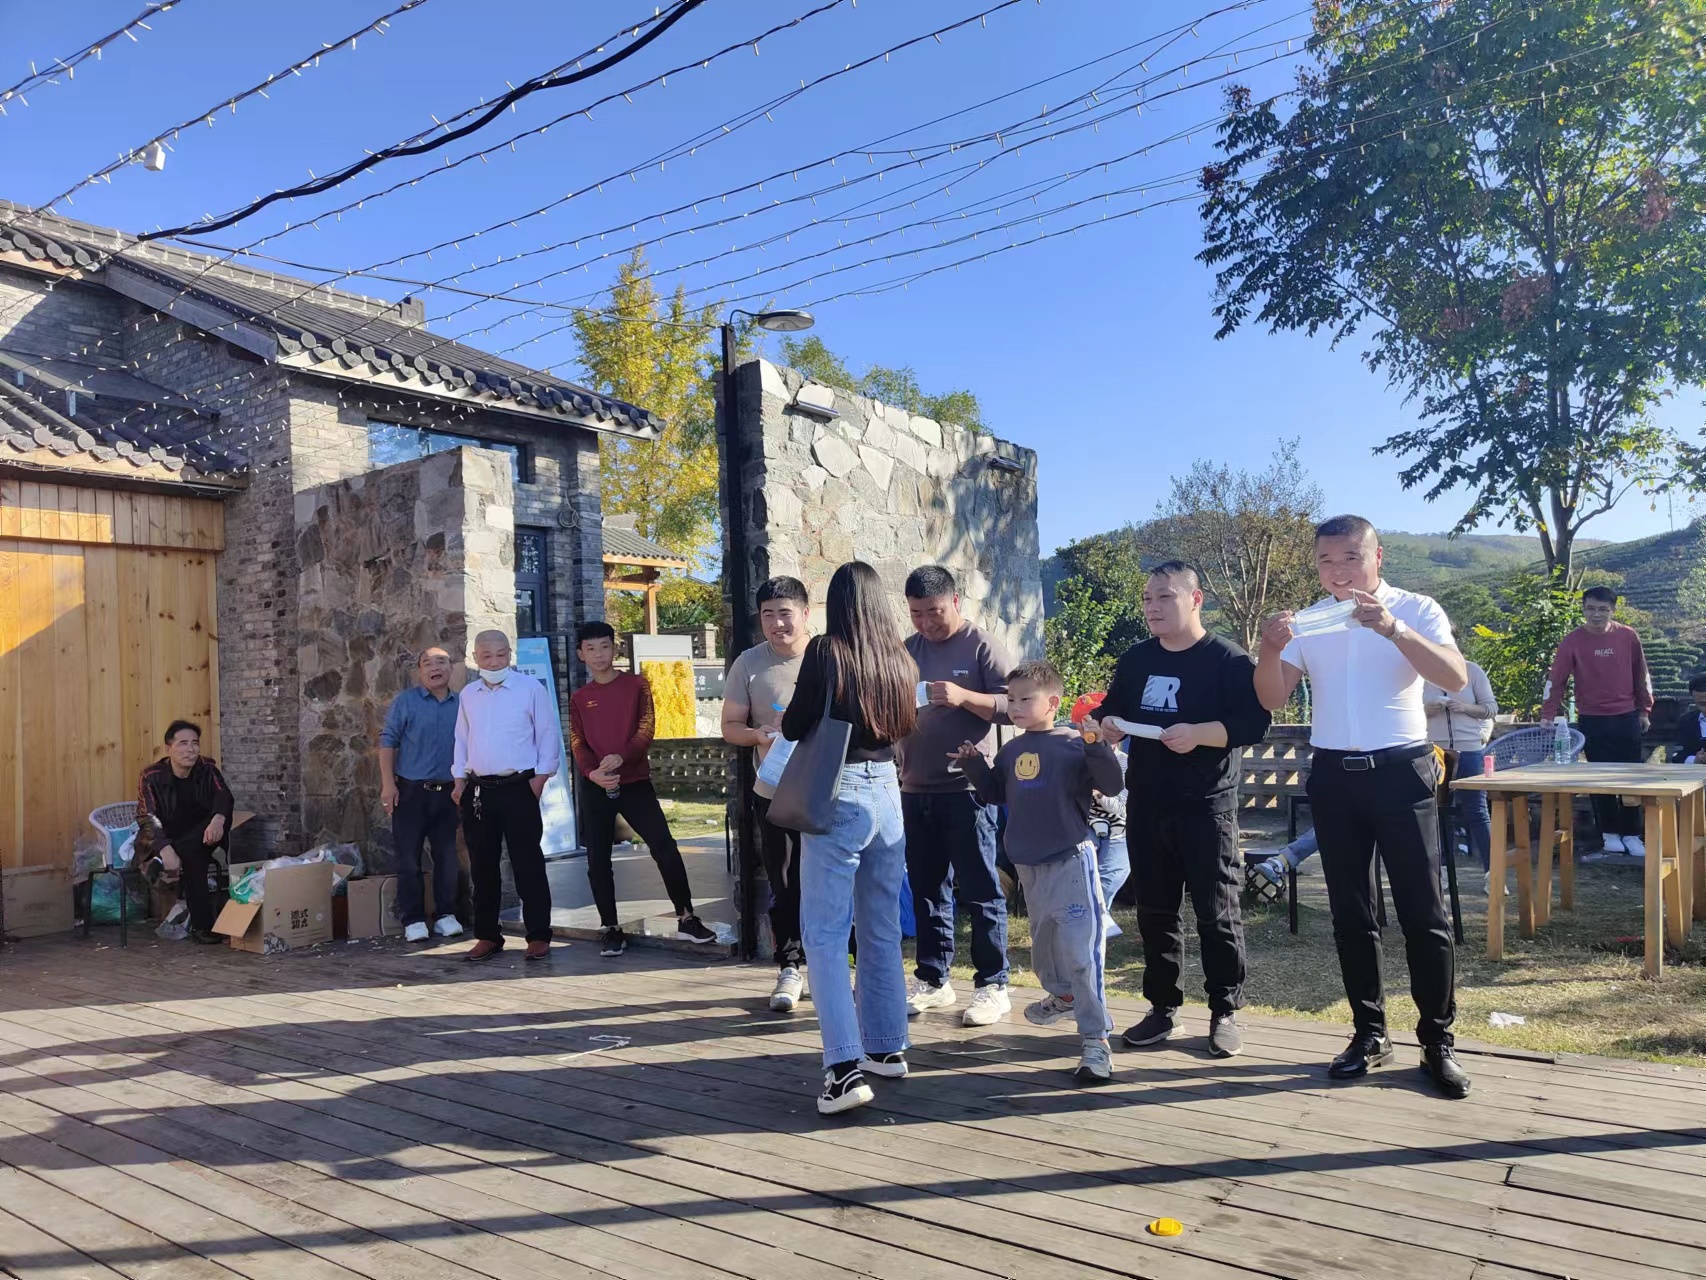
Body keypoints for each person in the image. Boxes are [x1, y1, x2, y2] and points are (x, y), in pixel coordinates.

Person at [1255, 515, 1472, 1099]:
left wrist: (1393, 629)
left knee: (1424, 912)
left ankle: (1437, 1040)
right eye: (1326, 561)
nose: (1338, 571)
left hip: (1402, 770)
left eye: (1351, 557)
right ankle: (1370, 1034)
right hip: (1333, 775)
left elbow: (1454, 677)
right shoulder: (1310, 620)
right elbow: (1271, 697)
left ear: (1378, 558)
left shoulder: (1416, 608)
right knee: (1351, 912)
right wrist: (1270, 649)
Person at [1098, 562, 1271, 1059]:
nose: (1152, 607)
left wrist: (1198, 734)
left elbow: (1253, 724)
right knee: (1155, 912)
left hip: (1207, 807)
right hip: (1147, 804)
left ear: (1195, 600)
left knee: (1217, 914)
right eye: (1147, 599)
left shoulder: (1227, 660)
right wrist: (1108, 723)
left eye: (1164, 597)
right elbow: (1113, 709)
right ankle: (1162, 1007)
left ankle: (1225, 1010)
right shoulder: (1136, 659)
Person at [781, 560, 918, 1115]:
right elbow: (904, 726)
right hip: (888, 791)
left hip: (839, 792)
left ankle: (842, 1070)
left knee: (825, 934)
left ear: (836, 603)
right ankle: (886, 1046)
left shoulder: (826, 652)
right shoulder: (900, 658)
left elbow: (794, 724)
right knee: (880, 928)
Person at [956, 660, 1125, 1085]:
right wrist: (975, 765)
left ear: (1052, 703)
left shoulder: (1073, 742)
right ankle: (1064, 996)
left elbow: (1112, 783)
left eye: (1025, 699)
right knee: (1044, 955)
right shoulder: (1011, 751)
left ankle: (1096, 1041)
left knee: (1082, 956)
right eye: (1011, 699)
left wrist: (1096, 743)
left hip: (1071, 863)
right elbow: (994, 793)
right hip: (1029, 869)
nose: (1015, 707)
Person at [900, 564, 1013, 1027]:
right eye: (917, 613)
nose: (926, 622)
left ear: (955, 602)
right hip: (913, 786)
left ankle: (993, 985)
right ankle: (933, 979)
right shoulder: (907, 650)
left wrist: (964, 696)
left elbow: (1014, 706)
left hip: (967, 789)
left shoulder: (981, 645)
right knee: (927, 890)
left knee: (981, 889)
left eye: (934, 611)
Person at [570, 621, 717, 956]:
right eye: (590, 649)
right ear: (581, 655)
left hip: (634, 781)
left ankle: (686, 917)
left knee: (664, 847)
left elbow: (646, 728)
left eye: (604, 646)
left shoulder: (637, 685)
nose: (598, 654)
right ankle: (611, 928)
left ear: (615, 648)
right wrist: (592, 773)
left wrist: (621, 758)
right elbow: (578, 741)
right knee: (597, 859)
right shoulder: (580, 698)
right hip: (596, 785)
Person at [721, 576, 812, 1012]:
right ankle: (790, 966)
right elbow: (730, 727)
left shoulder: (829, 656)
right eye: (768, 615)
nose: (777, 623)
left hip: (830, 791)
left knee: (833, 880)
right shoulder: (749, 663)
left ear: (805, 613)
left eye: (785, 613)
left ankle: (839, 964)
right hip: (774, 791)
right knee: (785, 881)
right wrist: (758, 735)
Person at [452, 630, 559, 963]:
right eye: (486, 656)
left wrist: (539, 780)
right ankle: (487, 935)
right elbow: (461, 738)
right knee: (482, 866)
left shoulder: (530, 689)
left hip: (519, 787)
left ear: (510, 654)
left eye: (501, 654)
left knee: (528, 863)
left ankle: (538, 935)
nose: (494, 661)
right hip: (478, 790)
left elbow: (547, 734)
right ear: (475, 657)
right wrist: (459, 780)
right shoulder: (469, 694)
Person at [1541, 586, 1653, 857]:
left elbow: (1641, 673)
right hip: (1592, 718)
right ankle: (1609, 834)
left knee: (1630, 778)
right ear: (1583, 609)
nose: (1596, 614)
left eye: (1603, 609)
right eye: (1590, 608)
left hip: (1626, 716)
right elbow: (1556, 680)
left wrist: (1644, 710)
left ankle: (1632, 834)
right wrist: (1547, 714)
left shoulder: (1628, 636)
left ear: (1612, 610)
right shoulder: (1572, 641)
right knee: (1599, 778)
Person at [378, 647, 466, 943]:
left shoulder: (463, 704)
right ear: (419, 671)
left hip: (449, 793)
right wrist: (388, 784)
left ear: (451, 668)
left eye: (441, 662)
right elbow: (388, 742)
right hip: (410, 792)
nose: (434, 668)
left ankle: (446, 915)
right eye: (427, 663)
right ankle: (413, 919)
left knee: (447, 857)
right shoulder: (405, 702)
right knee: (408, 859)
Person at [135, 720, 235, 944]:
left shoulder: (207, 768)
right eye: (183, 743)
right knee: (194, 858)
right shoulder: (151, 776)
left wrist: (218, 819)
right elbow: (147, 817)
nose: (191, 749)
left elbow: (224, 796)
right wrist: (165, 848)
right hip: (167, 835)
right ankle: (203, 928)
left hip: (204, 833)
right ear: (168, 749)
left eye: (195, 743)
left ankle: (158, 863)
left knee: (200, 843)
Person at [1424, 658, 1498, 871]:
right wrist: (1426, 710)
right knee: (1438, 812)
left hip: (1469, 750)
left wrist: (1465, 708)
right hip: (1435, 751)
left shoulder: (1472, 671)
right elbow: (1404, 712)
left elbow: (1491, 708)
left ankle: (1492, 872)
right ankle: (1443, 872)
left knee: (1477, 811)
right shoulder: (1419, 673)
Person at [1671, 673, 1706, 763]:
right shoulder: (1686, 722)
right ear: (1692, 695)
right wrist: (1695, 760)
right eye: (1701, 702)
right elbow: (1677, 757)